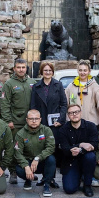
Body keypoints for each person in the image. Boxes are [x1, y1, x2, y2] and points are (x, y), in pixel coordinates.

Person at [30, 61, 67, 189]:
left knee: (53, 151)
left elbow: (64, 104)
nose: (47, 72)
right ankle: (44, 178)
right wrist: (35, 121)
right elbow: (33, 106)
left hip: (55, 125)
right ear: (41, 72)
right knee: (41, 150)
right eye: (45, 70)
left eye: (50, 70)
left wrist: (61, 120)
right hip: (41, 124)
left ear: (52, 72)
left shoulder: (59, 85)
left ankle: (51, 179)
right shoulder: (36, 87)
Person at [0, 59, 36, 184]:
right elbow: (4, 104)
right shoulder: (9, 84)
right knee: (14, 148)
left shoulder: (32, 82)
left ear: (26, 68)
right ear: (14, 69)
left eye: (23, 67)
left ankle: (29, 171)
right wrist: (8, 120)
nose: (21, 69)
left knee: (29, 147)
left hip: (30, 122)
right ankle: (13, 172)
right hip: (15, 123)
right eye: (18, 67)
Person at [14, 110, 56, 197]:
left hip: (41, 162)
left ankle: (47, 184)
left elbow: (51, 147)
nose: (34, 121)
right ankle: (28, 179)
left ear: (40, 119)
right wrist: (26, 166)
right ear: (26, 120)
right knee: (18, 168)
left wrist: (38, 158)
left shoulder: (46, 130)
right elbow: (18, 153)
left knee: (51, 159)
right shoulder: (20, 133)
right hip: (28, 162)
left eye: (36, 119)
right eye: (31, 119)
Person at [59, 104, 98, 197]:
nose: (74, 114)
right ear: (68, 115)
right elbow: (65, 149)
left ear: (80, 113)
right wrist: (81, 144)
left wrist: (80, 149)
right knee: (69, 189)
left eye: (76, 112)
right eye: (71, 113)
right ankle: (78, 177)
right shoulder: (63, 130)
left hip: (86, 159)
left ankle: (87, 184)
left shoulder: (91, 126)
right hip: (71, 161)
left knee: (90, 156)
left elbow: (95, 145)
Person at [65, 60, 99, 129]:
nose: (82, 73)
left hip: (91, 123)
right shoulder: (71, 86)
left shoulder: (95, 86)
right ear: (77, 71)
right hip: (74, 124)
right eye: (80, 70)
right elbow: (66, 104)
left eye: (85, 70)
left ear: (89, 71)